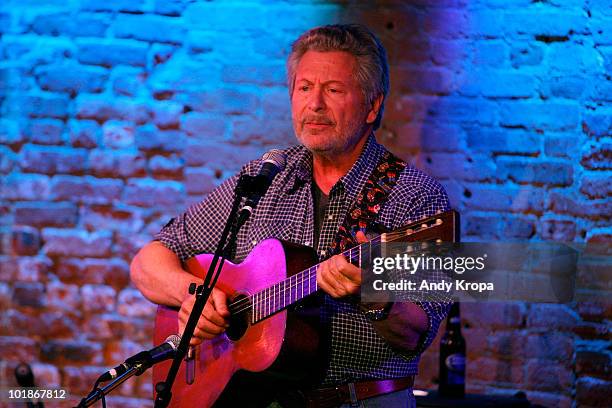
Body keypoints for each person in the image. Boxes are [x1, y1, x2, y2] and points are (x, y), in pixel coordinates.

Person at [131, 24, 451, 408]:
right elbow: (149, 261)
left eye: (333, 90)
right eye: (304, 88)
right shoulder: (268, 177)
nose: (314, 104)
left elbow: (419, 331)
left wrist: (373, 294)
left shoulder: (418, 197)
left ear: (372, 106)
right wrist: (197, 299)